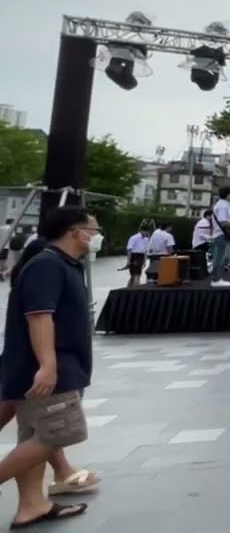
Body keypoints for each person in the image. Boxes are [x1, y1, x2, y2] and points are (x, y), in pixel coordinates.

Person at [0, 207, 102, 527]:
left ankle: (32, 506)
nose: (97, 236)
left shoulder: (62, 264)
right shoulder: (48, 265)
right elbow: (39, 316)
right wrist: (48, 364)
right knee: (62, 431)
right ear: (75, 231)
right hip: (47, 370)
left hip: (43, 368)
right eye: (94, 230)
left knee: (35, 435)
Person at [209, 187, 230, 288]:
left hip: (220, 234)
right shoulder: (223, 205)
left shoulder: (222, 204)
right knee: (219, 258)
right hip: (221, 234)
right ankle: (216, 279)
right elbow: (223, 221)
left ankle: (218, 278)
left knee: (220, 257)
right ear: (228, 195)